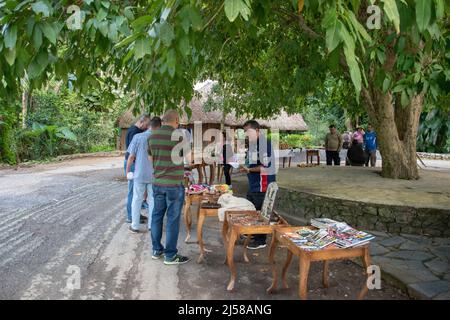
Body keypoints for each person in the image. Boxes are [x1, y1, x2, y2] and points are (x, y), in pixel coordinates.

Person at [148, 109, 190, 265]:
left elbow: (151, 160)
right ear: (176, 120)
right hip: (174, 185)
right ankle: (170, 255)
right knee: (172, 219)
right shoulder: (180, 136)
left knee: (157, 216)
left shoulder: (152, 137)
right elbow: (188, 159)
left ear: (163, 120)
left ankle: (156, 250)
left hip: (158, 183)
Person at [241, 120, 276, 250]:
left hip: (263, 184)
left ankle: (261, 240)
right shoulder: (253, 144)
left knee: (261, 212)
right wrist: (246, 166)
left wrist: (249, 169)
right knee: (251, 208)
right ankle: (253, 232)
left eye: (248, 131)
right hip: (254, 183)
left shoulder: (263, 143)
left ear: (257, 130)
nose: (246, 134)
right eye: (245, 131)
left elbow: (266, 167)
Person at [126, 117, 162, 233]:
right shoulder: (159, 139)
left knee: (137, 199)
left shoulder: (138, 137)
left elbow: (131, 157)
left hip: (139, 174)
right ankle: (152, 225)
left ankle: (135, 226)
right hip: (154, 174)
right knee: (152, 200)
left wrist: (127, 171)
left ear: (149, 125)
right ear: (159, 126)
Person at [124, 115, 151, 223]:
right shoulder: (134, 132)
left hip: (134, 163)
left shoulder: (133, 130)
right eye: (146, 124)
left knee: (135, 191)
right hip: (133, 163)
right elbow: (132, 154)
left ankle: (135, 215)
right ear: (141, 121)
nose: (146, 127)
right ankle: (131, 216)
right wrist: (128, 170)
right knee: (133, 192)